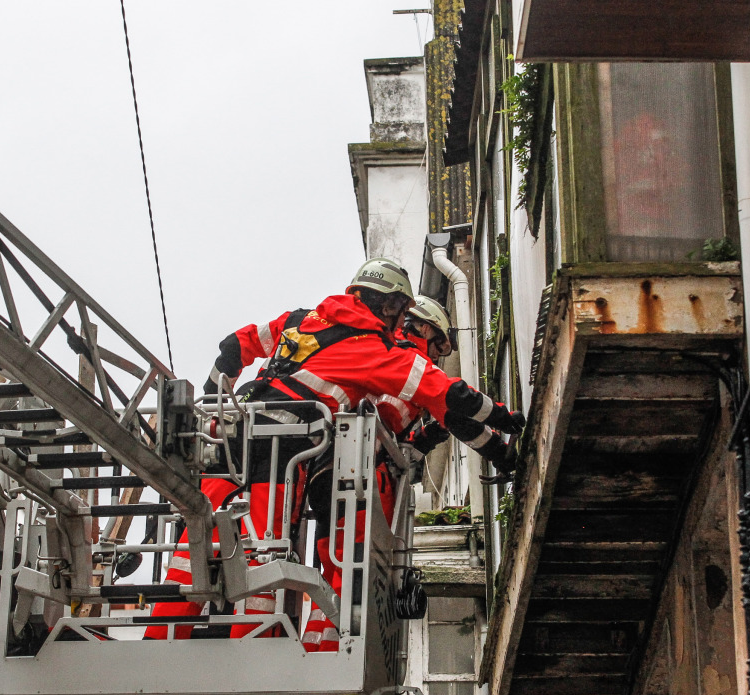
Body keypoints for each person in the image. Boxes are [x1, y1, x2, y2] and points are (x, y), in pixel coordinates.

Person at [146, 258, 524, 642]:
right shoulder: (384, 353)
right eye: (439, 344)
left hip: (239, 441)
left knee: (198, 546)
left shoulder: (302, 319)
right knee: (283, 559)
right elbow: (455, 407)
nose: (438, 354)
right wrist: (508, 434)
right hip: (320, 462)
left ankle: (159, 638)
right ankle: (266, 648)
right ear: (405, 316)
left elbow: (233, 346)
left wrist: (214, 401)